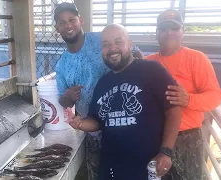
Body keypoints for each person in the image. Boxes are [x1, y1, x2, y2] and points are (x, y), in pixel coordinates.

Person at [66, 23, 182, 180]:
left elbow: (174, 110)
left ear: (130, 44)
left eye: (118, 42)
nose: (112, 48)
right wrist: (80, 123)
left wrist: (166, 151)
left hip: (147, 166)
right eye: (106, 45)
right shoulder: (103, 83)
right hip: (111, 168)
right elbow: (98, 121)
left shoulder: (153, 70)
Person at [54, 2, 144, 180]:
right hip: (94, 133)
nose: (68, 25)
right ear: (57, 28)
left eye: (71, 20)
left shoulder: (102, 40)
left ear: (81, 20)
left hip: (126, 127)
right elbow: (63, 101)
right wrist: (68, 97)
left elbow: (136, 55)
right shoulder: (62, 66)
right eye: (62, 22)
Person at [145, 9, 221, 180]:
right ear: (156, 33)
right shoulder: (148, 63)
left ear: (183, 32)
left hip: (187, 140)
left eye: (174, 28)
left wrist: (188, 99)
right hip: (153, 139)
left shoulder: (197, 58)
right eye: (164, 28)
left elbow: (215, 96)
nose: (169, 33)